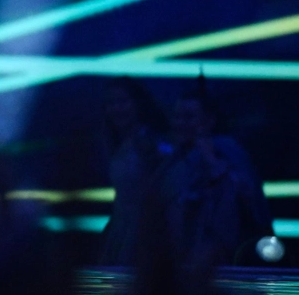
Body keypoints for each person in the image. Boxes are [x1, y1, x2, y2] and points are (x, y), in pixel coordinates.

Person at [157, 83, 274, 266]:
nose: (180, 123)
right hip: (180, 258)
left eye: (188, 117)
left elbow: (247, 197)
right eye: (177, 116)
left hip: (221, 258)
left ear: (210, 120)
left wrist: (211, 158)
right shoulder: (172, 159)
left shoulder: (227, 150)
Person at [98, 78, 170, 266]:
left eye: (122, 101)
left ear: (138, 103)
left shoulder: (151, 144)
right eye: (110, 103)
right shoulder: (118, 144)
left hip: (146, 233)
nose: (116, 108)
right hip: (122, 230)